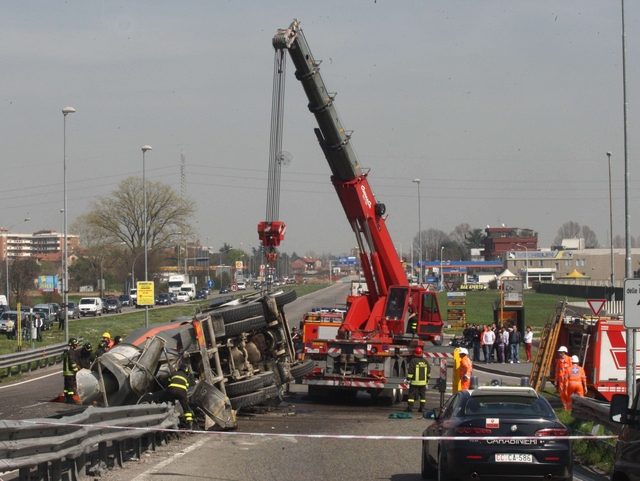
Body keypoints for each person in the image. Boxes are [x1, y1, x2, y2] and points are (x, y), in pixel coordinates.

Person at [163, 363, 194, 429]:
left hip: (172, 391)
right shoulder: (187, 377)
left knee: (167, 402)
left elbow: (168, 381)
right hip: (181, 393)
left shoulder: (174, 373)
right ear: (186, 370)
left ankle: (167, 418)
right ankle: (189, 424)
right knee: (186, 407)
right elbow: (187, 387)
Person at [405, 346, 430, 413]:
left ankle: (410, 408)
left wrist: (408, 379)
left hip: (414, 382)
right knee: (422, 396)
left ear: (415, 353)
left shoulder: (413, 361)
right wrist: (427, 379)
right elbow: (428, 371)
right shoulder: (425, 361)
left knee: (411, 396)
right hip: (423, 383)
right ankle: (422, 409)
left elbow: (411, 371)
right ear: (421, 353)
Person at [62, 338, 81, 404]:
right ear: (74, 345)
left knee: (66, 387)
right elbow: (72, 362)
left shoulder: (66, 351)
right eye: (76, 344)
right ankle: (70, 399)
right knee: (70, 386)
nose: (77, 346)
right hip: (70, 373)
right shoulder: (71, 352)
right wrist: (76, 370)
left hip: (66, 372)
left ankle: (67, 398)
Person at [553, 346, 572, 411]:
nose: (559, 354)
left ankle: (569, 407)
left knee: (567, 393)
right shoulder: (559, 361)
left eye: (560, 352)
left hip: (567, 380)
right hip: (561, 381)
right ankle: (565, 407)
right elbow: (557, 371)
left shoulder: (569, 359)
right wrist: (556, 380)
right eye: (559, 352)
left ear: (564, 352)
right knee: (562, 394)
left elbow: (572, 370)